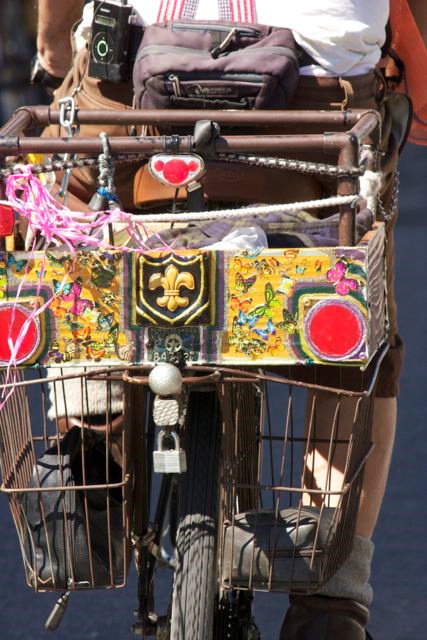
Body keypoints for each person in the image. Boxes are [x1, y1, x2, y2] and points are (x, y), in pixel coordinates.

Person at [34, 2, 414, 638]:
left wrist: (53, 55)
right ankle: (333, 593)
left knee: (70, 216)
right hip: (315, 113)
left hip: (131, 101)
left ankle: (91, 421)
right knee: (358, 317)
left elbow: (55, 28)